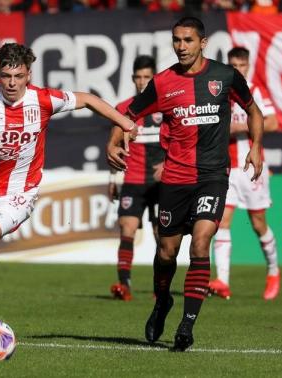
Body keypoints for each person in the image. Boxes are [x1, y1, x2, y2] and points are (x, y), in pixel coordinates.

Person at [0, 42, 138, 333]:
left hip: (21, 191)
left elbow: (87, 99)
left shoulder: (45, 100)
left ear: (28, 75)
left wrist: (125, 123)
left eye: (19, 76)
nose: (12, 83)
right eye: (6, 76)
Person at [107, 16, 264, 352]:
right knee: (167, 253)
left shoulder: (224, 77)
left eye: (188, 40)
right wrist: (114, 140)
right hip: (175, 180)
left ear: (203, 42)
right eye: (176, 40)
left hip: (212, 177)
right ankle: (162, 301)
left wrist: (256, 147)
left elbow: (253, 111)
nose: (181, 46)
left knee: (201, 244)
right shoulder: (163, 83)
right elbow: (129, 114)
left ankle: (186, 327)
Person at [208, 47, 280, 301]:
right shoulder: (220, 90)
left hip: (252, 166)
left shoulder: (256, 90)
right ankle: (222, 281)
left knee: (259, 224)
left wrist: (241, 126)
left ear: (248, 65)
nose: (238, 69)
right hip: (228, 167)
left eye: (242, 65)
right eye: (233, 65)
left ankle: (273, 271)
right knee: (223, 222)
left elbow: (272, 122)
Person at [108, 55, 165, 301]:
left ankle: (160, 287)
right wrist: (113, 176)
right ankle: (124, 285)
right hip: (132, 179)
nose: (142, 82)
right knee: (127, 228)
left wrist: (168, 163)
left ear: (154, 79)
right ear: (133, 79)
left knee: (161, 235)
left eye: (147, 77)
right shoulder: (124, 109)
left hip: (162, 181)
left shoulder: (165, 107)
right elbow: (114, 145)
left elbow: (180, 141)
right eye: (138, 77)